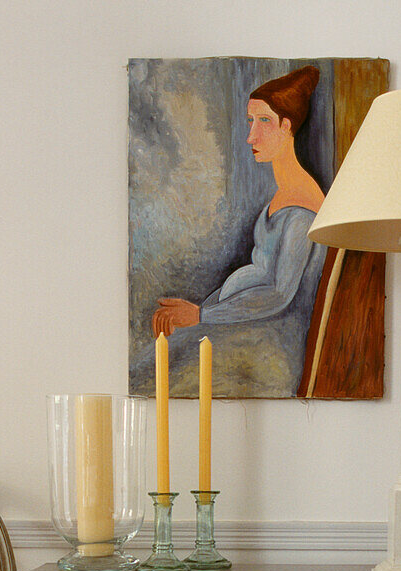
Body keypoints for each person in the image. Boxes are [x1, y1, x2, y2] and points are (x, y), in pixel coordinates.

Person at [130, 66, 327, 398]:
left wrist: (202, 314)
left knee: (155, 375)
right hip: (238, 327)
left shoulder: (304, 207)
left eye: (263, 121)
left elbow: (279, 294)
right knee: (153, 361)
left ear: (286, 125)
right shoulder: (284, 193)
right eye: (250, 122)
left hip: (264, 346)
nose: (251, 136)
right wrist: (199, 311)